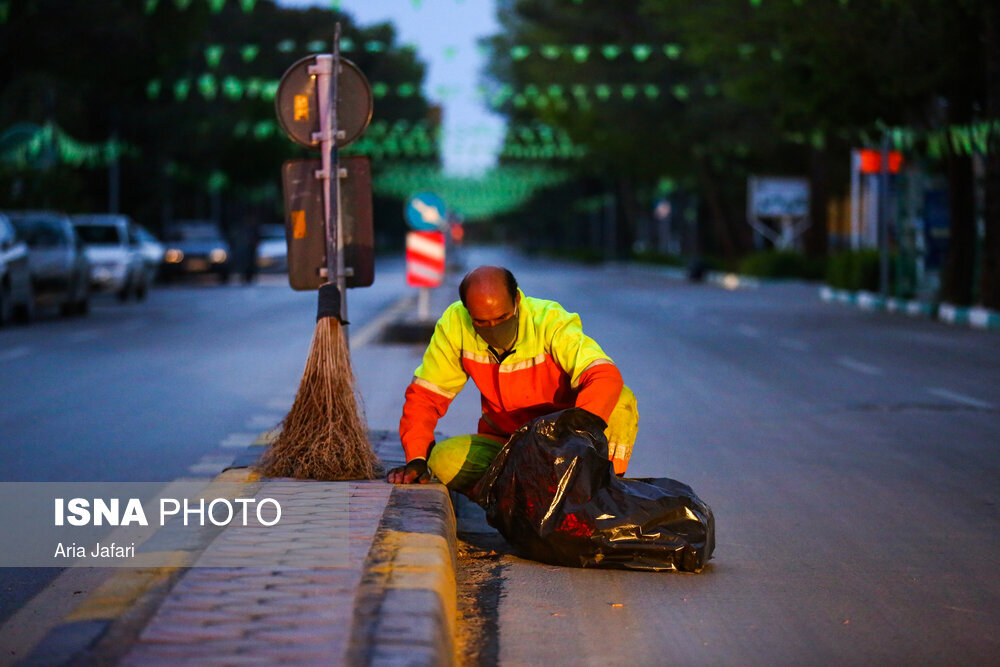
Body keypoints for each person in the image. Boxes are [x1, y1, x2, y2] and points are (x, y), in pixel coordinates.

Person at [388, 265, 638, 486]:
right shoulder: (455, 325)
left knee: (620, 401)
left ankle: (601, 491)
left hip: (564, 442)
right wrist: (416, 457)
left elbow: (604, 375)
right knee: (442, 459)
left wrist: (572, 439)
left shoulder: (549, 321)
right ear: (467, 312)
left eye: (503, 318)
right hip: (506, 443)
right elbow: (426, 395)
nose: (495, 329)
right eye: (482, 323)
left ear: (517, 299)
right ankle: (510, 503)